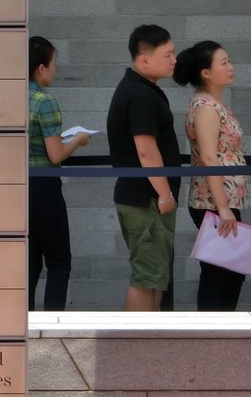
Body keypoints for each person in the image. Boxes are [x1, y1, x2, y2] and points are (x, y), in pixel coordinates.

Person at [106, 24, 181, 311]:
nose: (174, 59)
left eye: (173, 53)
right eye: (168, 54)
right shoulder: (140, 94)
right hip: (146, 199)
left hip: (143, 197)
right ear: (144, 59)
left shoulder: (141, 89)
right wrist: (164, 194)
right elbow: (146, 150)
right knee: (147, 276)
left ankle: (150, 345)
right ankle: (134, 348)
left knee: (154, 276)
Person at [173, 40, 249, 311]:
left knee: (232, 270)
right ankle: (211, 335)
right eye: (224, 62)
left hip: (224, 201)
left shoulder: (216, 104)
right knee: (218, 272)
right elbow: (208, 157)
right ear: (206, 72)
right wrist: (222, 208)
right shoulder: (206, 107)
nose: (231, 67)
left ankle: (223, 332)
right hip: (213, 202)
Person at [28, 36, 90, 310]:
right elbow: (55, 155)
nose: (55, 70)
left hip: (15, 188)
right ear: (40, 68)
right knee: (58, 261)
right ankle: (53, 322)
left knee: (28, 262)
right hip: (44, 188)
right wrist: (79, 139)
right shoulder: (44, 102)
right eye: (53, 65)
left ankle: (24, 323)